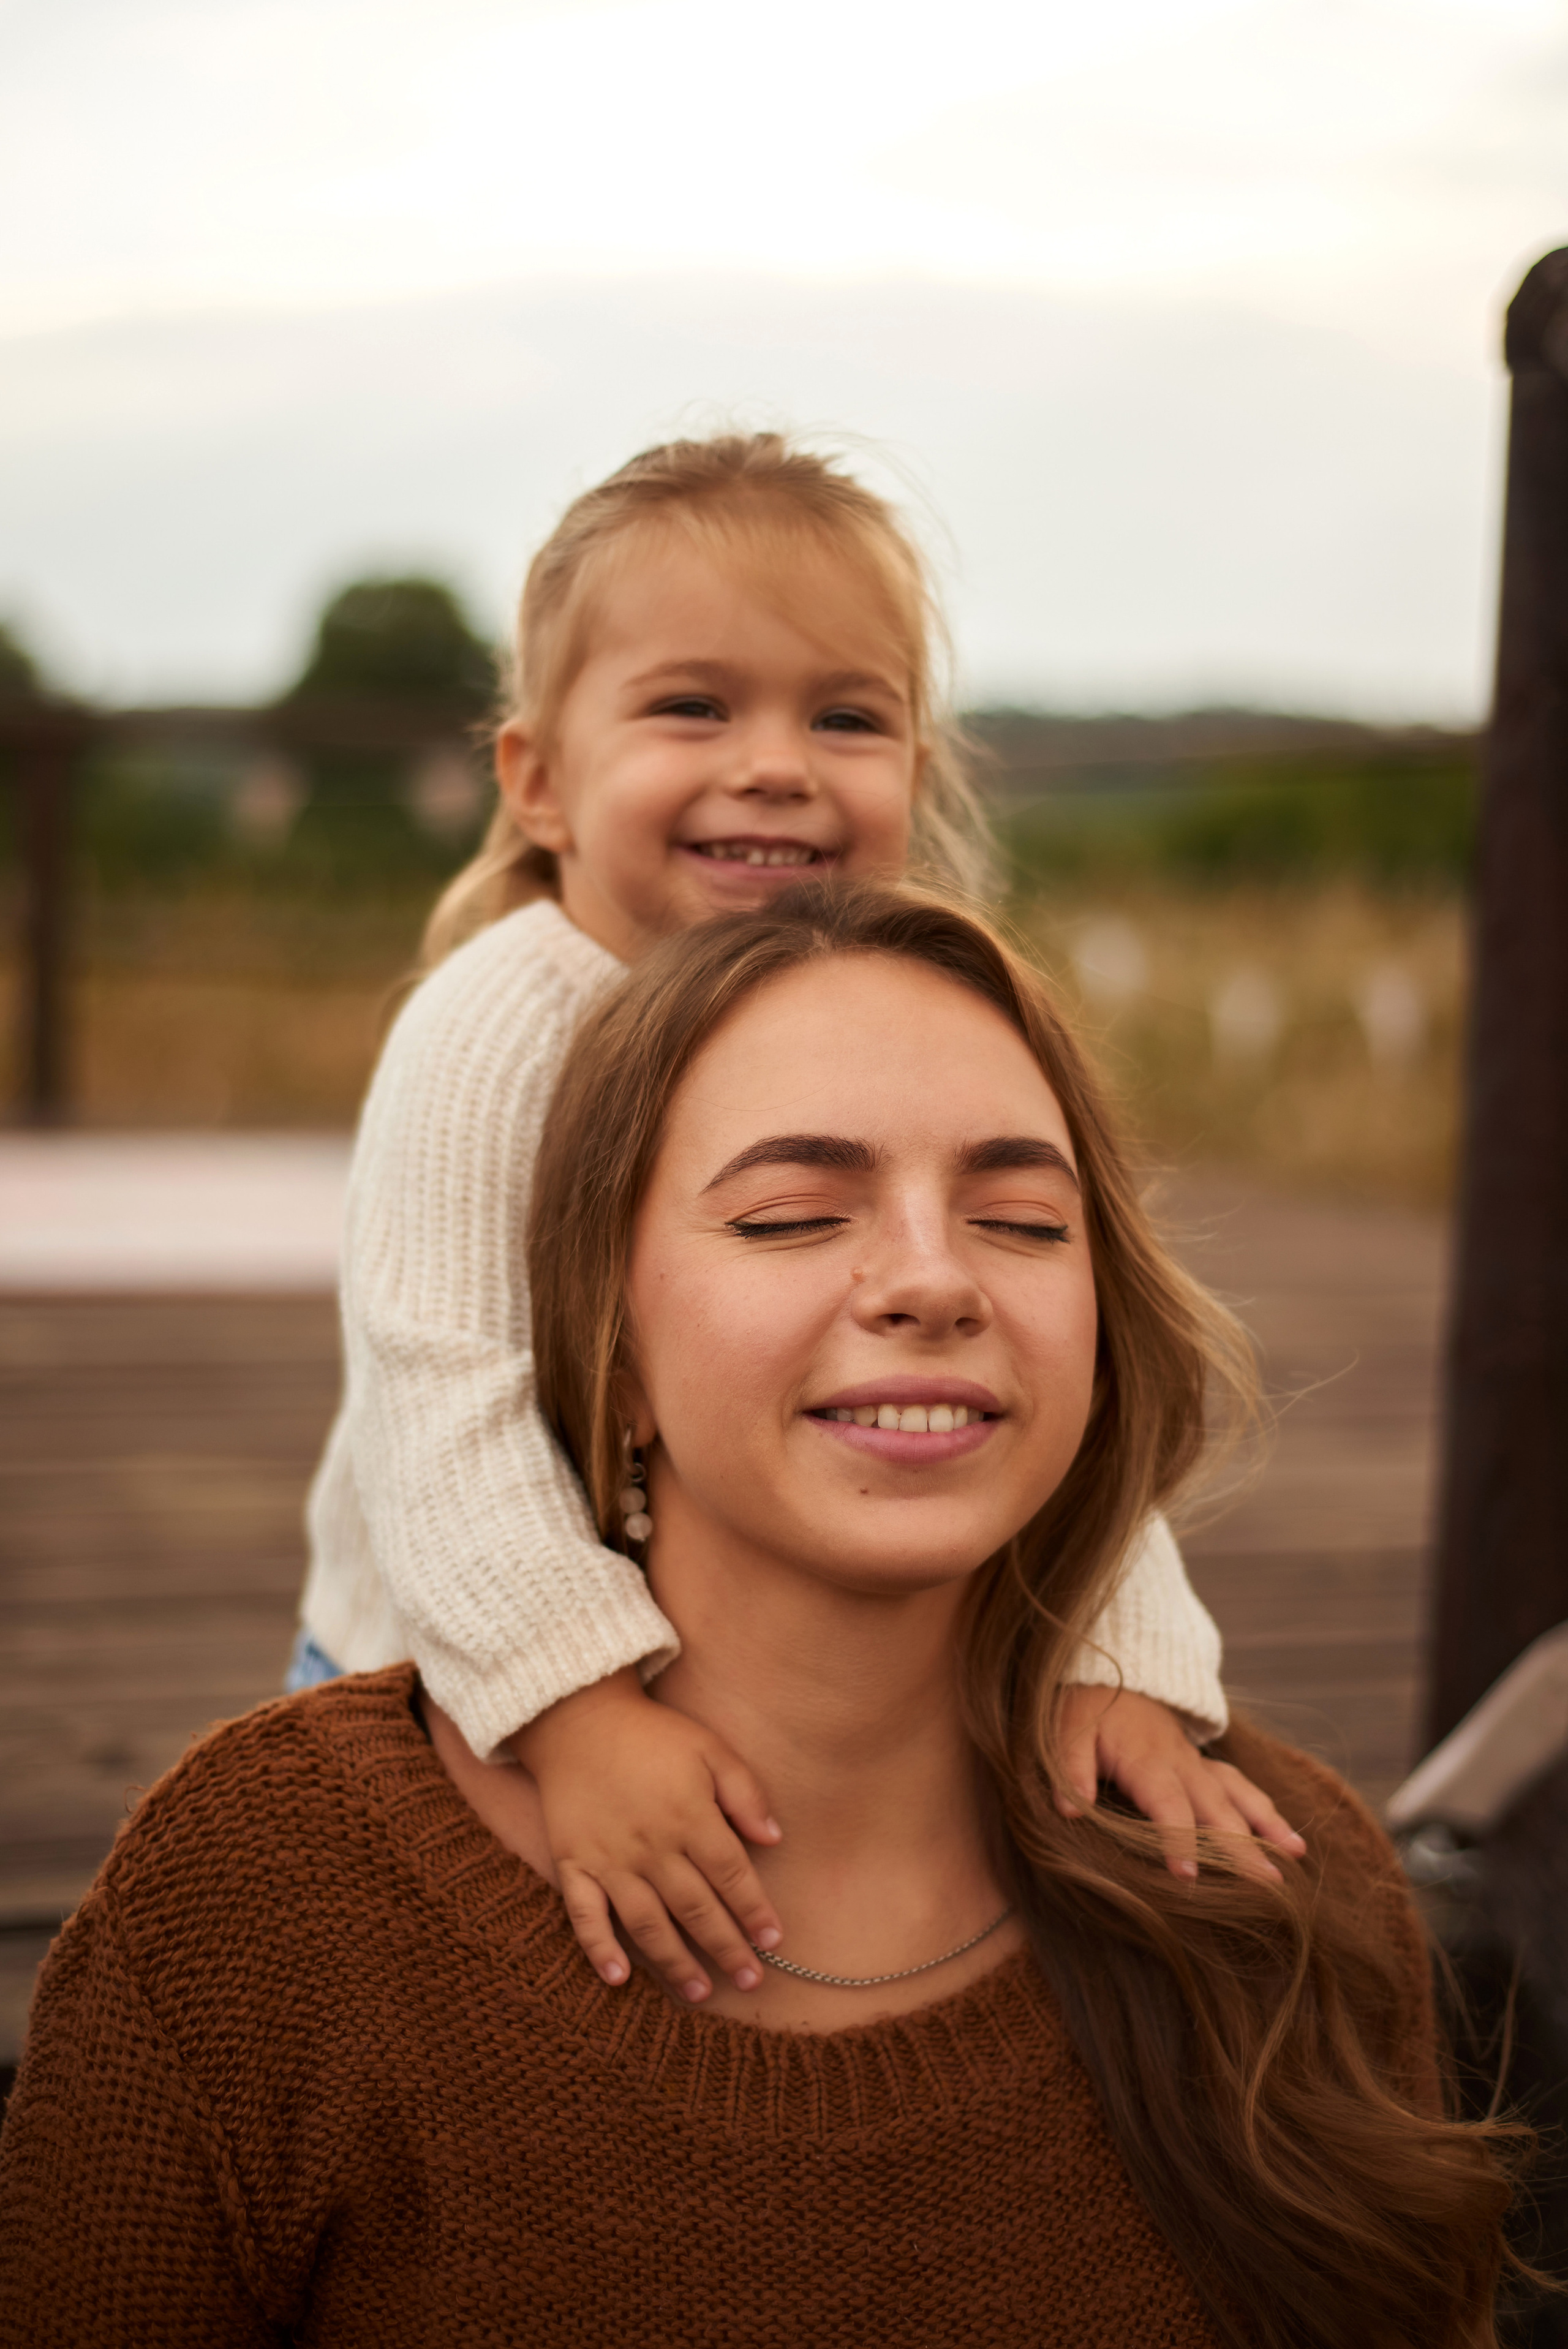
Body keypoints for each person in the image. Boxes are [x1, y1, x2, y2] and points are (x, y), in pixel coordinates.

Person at [0, 882, 1515, 2347]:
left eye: (1022, 1219)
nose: (933, 1279)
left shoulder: (1278, 1889)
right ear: (608, 1353)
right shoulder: (263, 1906)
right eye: (792, 1215)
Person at [292, 429, 1296, 2002]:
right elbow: (445, 1400)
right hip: (445, 1667)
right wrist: (572, 1712)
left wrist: (1122, 1664)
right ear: (538, 778)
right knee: (453, 2001)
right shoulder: (499, 1026)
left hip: (793, 1694)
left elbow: (1046, 1379)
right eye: (694, 705)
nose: (775, 761)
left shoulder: (913, 1009)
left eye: (845, 715)